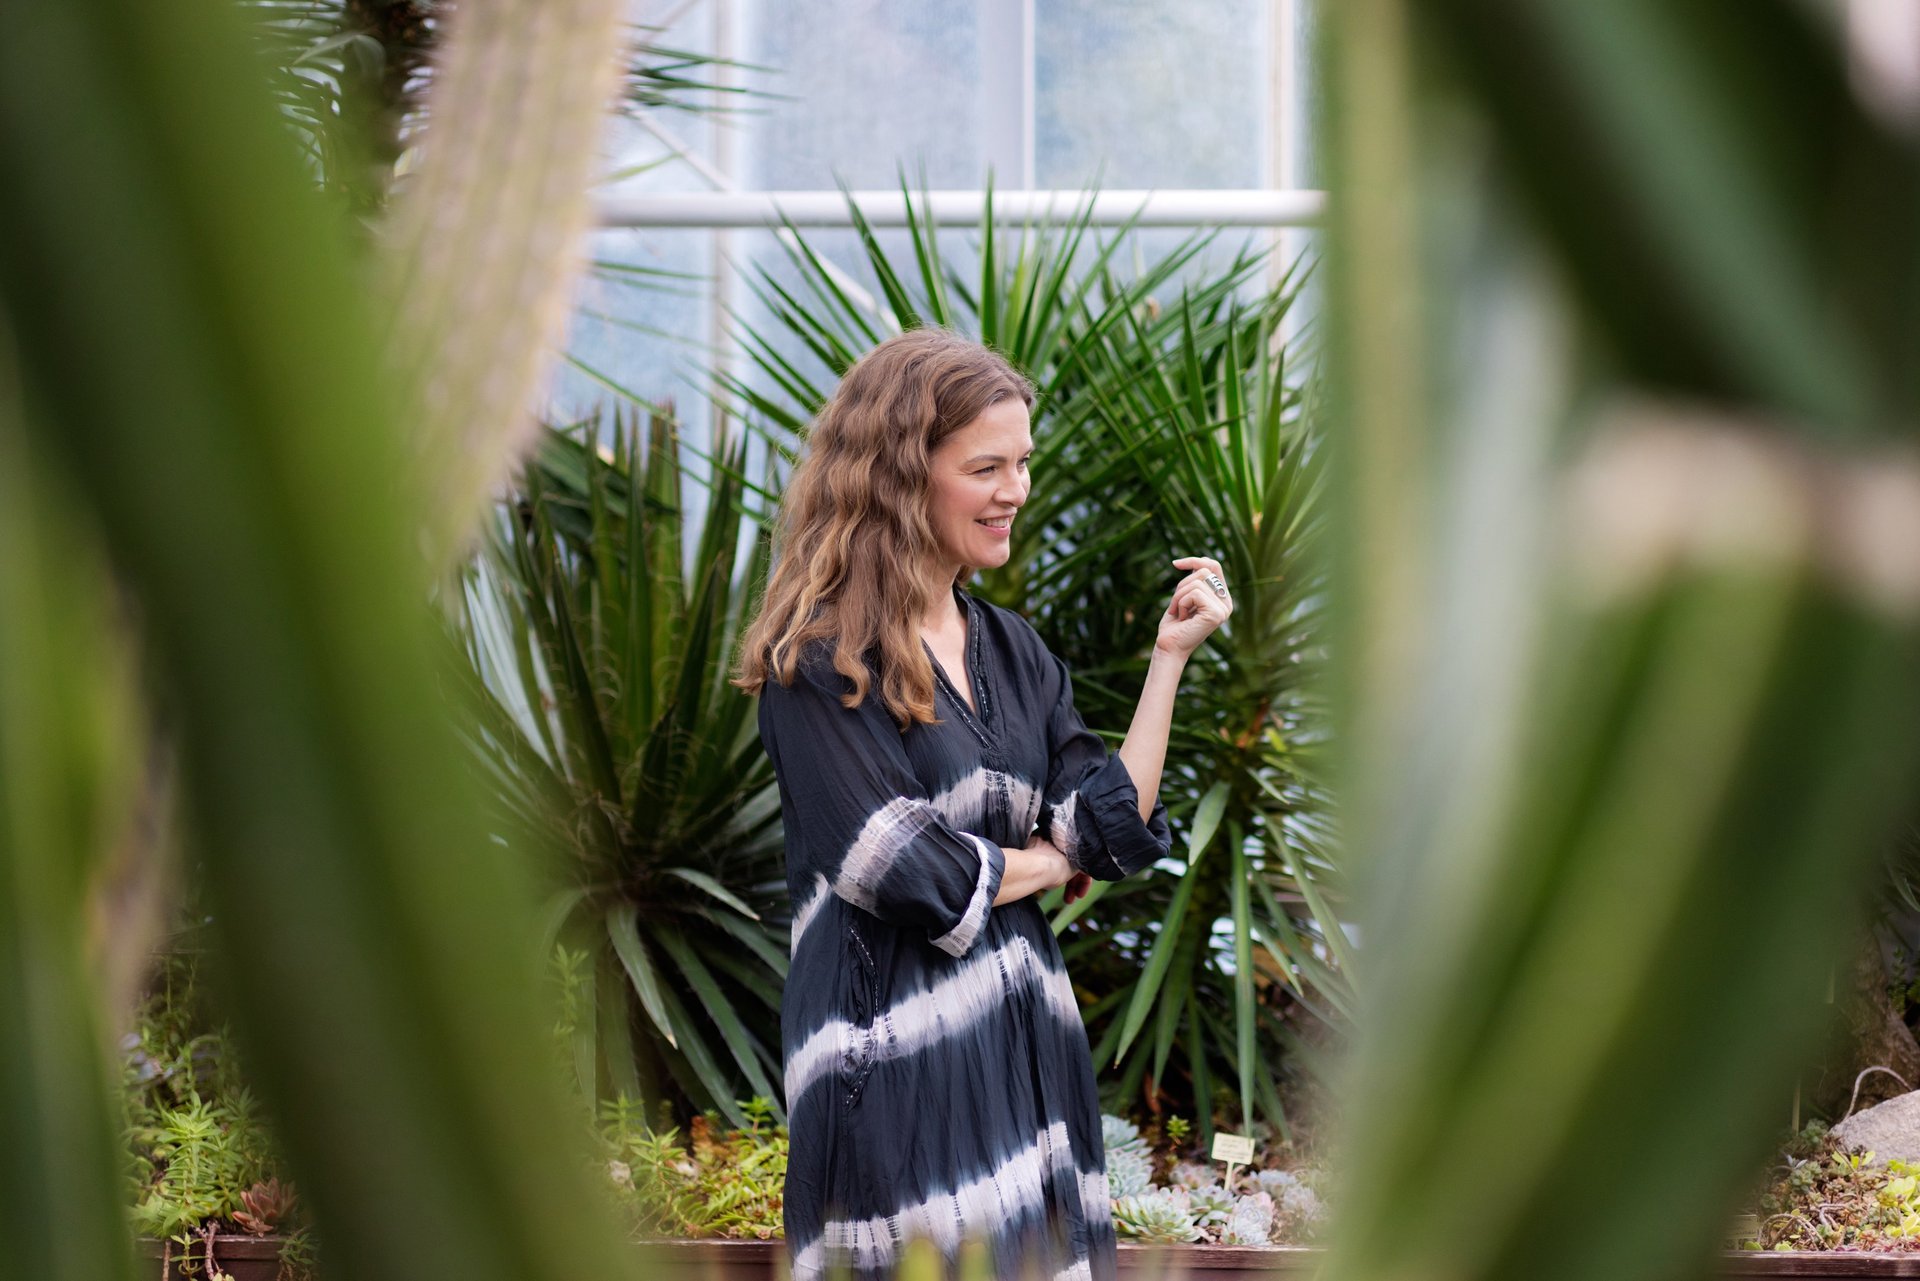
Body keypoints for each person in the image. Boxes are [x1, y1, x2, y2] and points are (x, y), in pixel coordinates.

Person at [733, 327, 1233, 1281]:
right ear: (900, 477)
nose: (1017, 491)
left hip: (1024, 1051)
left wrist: (1167, 662)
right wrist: (1048, 863)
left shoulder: (1011, 649)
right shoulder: (821, 663)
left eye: (1024, 463)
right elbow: (910, 871)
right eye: (987, 467)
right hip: (893, 1068)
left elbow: (1104, 820)